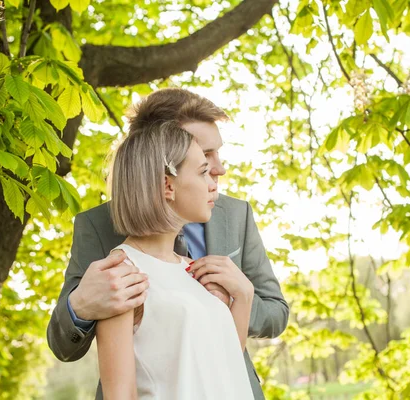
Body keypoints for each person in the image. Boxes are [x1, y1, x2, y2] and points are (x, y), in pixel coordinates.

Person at [46, 88, 289, 400]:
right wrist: (80, 305)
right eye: (204, 155)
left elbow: (243, 337)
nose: (219, 168)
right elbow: (70, 349)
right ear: (162, 163)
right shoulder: (111, 248)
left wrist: (238, 296)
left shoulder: (235, 214)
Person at [97, 121, 254, 399]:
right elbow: (121, 395)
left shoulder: (189, 269)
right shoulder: (122, 272)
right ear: (168, 185)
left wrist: (244, 295)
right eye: (203, 172)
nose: (212, 184)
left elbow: (223, 365)